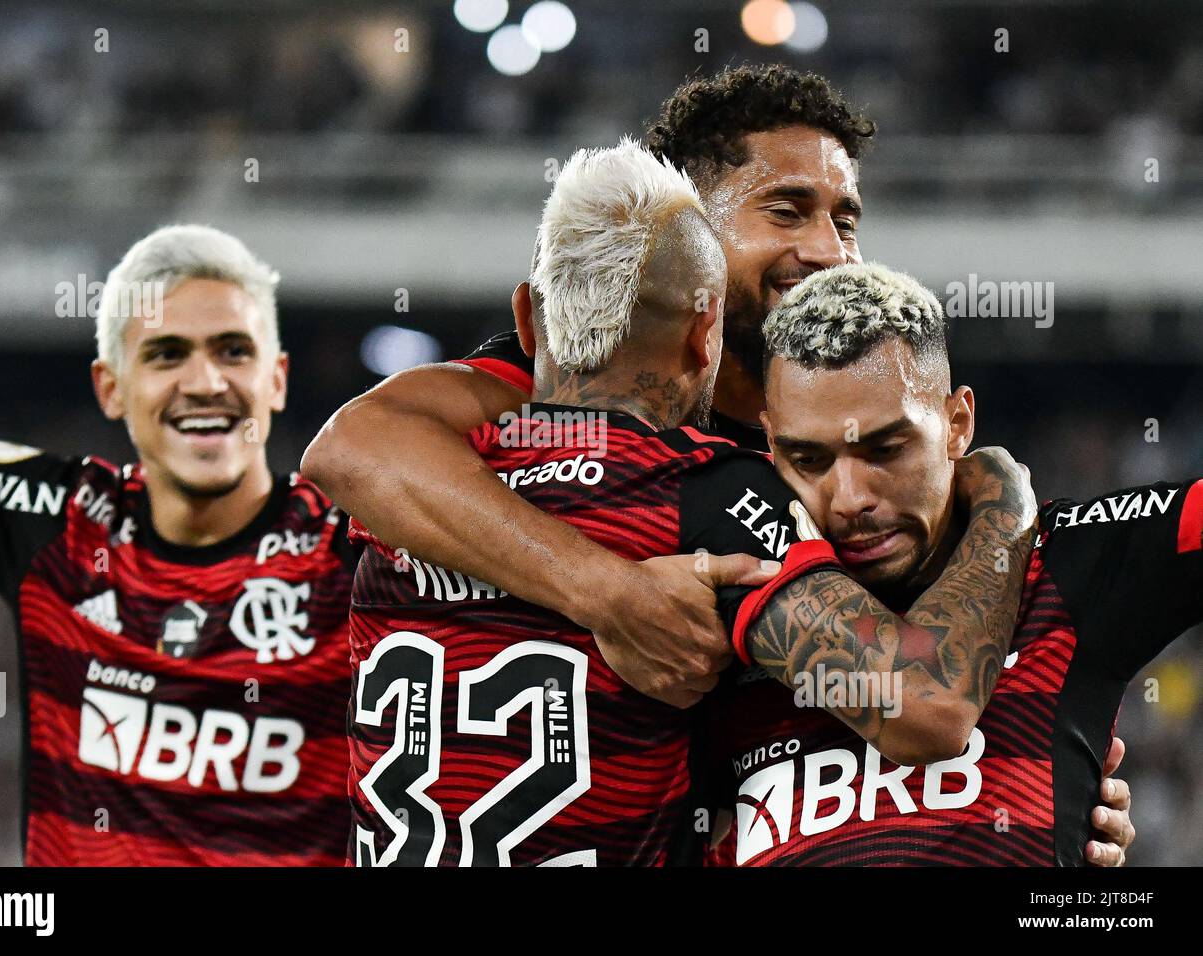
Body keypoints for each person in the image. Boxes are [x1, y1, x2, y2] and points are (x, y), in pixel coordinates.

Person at [303, 64, 1134, 864]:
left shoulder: (870, 419)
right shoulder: (565, 389)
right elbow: (354, 447)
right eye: (788, 211)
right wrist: (610, 592)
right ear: (689, 226)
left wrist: (1042, 781)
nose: (829, 252)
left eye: (845, 219)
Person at [707, 261, 1196, 865]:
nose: (851, 499)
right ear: (771, 445)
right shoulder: (727, 584)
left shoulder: (1068, 560)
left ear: (957, 424)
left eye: (886, 449)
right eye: (809, 460)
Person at [0, 225, 355, 864]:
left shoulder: (353, 551)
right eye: (167, 355)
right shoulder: (59, 520)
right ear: (110, 386)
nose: (204, 383)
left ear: (276, 379)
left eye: (232, 351)